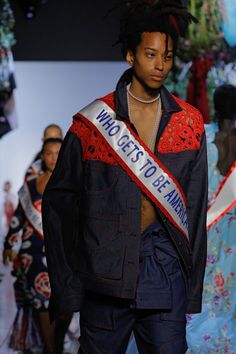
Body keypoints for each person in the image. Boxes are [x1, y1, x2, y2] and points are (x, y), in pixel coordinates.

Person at [42, 1, 208, 353]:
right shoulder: (90, 125)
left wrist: (192, 291)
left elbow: (193, 212)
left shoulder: (189, 123)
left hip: (165, 279)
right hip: (104, 281)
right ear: (130, 56)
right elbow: (59, 207)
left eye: (167, 55)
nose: (160, 64)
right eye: (150, 54)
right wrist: (68, 288)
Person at [2, 137, 71, 354]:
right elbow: (18, 219)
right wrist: (9, 245)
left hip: (64, 259)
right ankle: (52, 350)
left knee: (64, 313)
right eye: (49, 153)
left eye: (58, 153)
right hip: (33, 259)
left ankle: (56, 346)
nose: (53, 158)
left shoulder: (72, 183)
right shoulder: (29, 187)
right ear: (43, 156)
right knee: (42, 309)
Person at [186, 84, 236, 352]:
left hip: (207, 230)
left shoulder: (202, 138)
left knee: (207, 292)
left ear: (215, 106)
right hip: (229, 230)